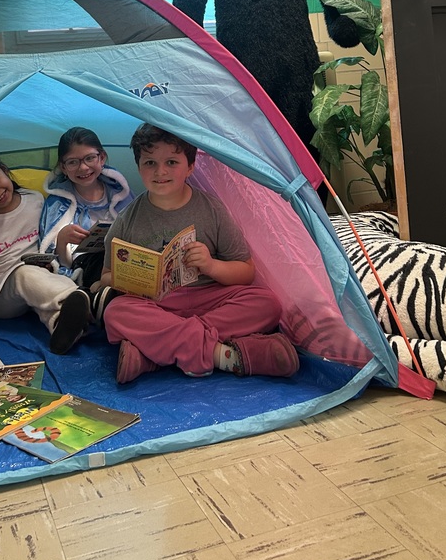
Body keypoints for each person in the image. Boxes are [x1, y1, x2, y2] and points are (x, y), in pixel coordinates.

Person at [98, 124, 300, 383]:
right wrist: (125, 278)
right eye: (150, 163)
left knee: (266, 303)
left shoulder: (212, 209)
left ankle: (153, 356)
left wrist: (211, 265)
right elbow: (105, 275)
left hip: (210, 299)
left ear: (190, 167)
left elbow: (246, 272)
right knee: (116, 312)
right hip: (158, 305)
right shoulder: (127, 218)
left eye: (171, 161)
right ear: (139, 168)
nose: (160, 171)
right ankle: (223, 355)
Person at [0, 149, 91, 354]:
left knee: (41, 281)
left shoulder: (34, 200)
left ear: (5, 171)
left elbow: (48, 239)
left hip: (43, 276)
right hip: (0, 295)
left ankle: (62, 326)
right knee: (24, 274)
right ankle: (74, 300)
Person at [39, 127, 135, 321]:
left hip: (124, 261)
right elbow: (51, 261)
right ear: (63, 167)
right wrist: (62, 241)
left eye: (90, 158)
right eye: (73, 162)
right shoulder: (57, 203)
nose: (83, 168)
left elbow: (137, 229)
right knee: (100, 258)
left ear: (102, 157)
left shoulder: (119, 193)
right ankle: (97, 296)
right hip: (84, 265)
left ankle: (102, 297)